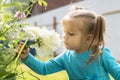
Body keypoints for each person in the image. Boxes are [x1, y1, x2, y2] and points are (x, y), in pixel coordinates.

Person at [16, 6, 120, 80]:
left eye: (70, 33)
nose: (65, 36)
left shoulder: (101, 55)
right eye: (64, 32)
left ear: (88, 38)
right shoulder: (66, 58)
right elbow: (44, 69)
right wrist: (27, 57)